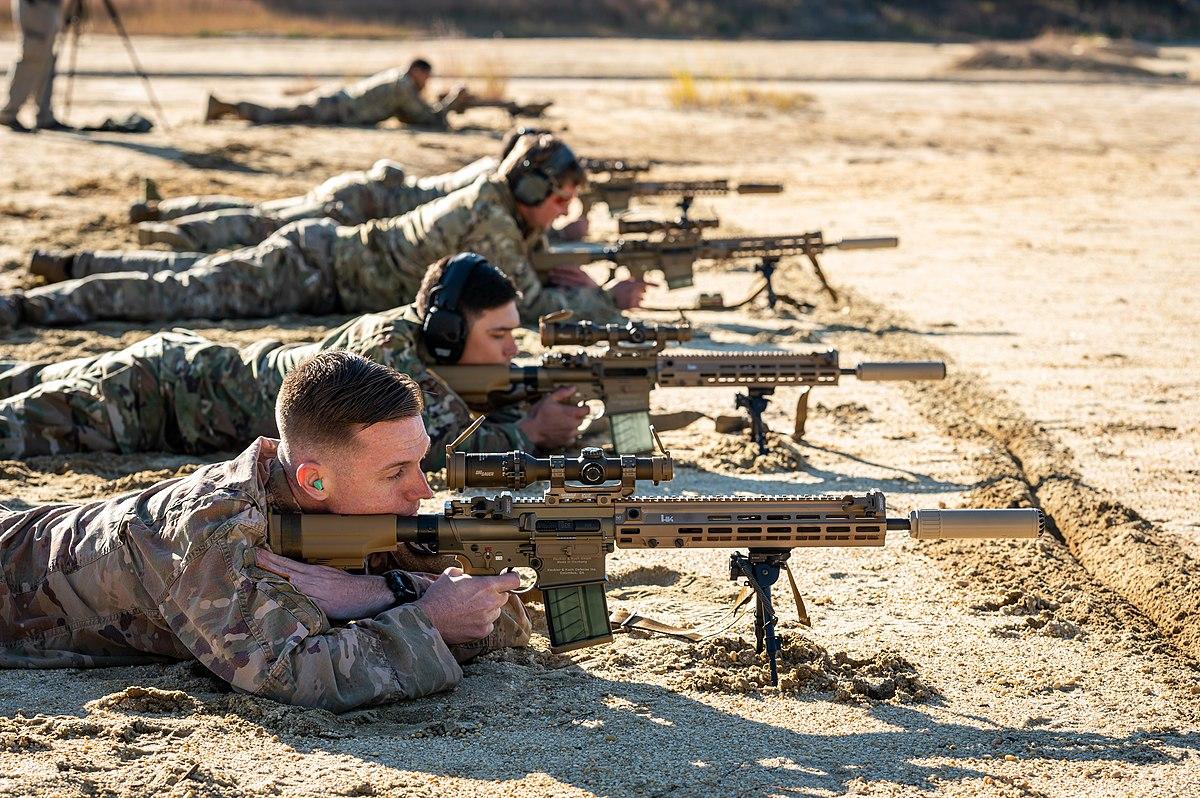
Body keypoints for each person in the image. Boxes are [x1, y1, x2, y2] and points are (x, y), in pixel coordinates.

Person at [0, 350, 532, 711]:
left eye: (420, 462)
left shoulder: (357, 503)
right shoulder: (211, 530)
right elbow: (293, 674)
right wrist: (429, 618)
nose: (422, 490)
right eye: (396, 472)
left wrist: (387, 592)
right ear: (313, 479)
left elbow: (492, 616)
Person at [0, 133, 645, 329]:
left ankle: (72, 263)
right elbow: (529, 307)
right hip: (317, 267)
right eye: (557, 200)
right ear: (531, 188)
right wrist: (603, 301)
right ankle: (33, 302)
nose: (561, 212)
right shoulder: (490, 219)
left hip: (324, 262)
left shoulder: (497, 204)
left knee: (186, 279)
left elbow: (531, 264)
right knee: (182, 292)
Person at [0, 253, 588, 466]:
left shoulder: (420, 344)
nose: (514, 351)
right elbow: (435, 454)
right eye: (501, 335)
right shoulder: (392, 359)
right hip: (151, 399)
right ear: (448, 331)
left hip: (176, 376)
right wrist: (533, 430)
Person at [203, 58, 470, 129]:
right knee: (277, 114)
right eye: (426, 76)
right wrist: (451, 102)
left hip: (337, 104)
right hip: (336, 107)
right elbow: (423, 116)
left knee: (281, 114)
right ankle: (224, 106)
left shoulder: (399, 82)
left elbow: (410, 116)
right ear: (416, 71)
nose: (427, 82)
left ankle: (226, 108)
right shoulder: (403, 86)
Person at [0, 0, 68, 133]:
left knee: (46, 57)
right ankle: (9, 112)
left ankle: (44, 116)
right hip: (36, 5)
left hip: (49, 6)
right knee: (33, 54)